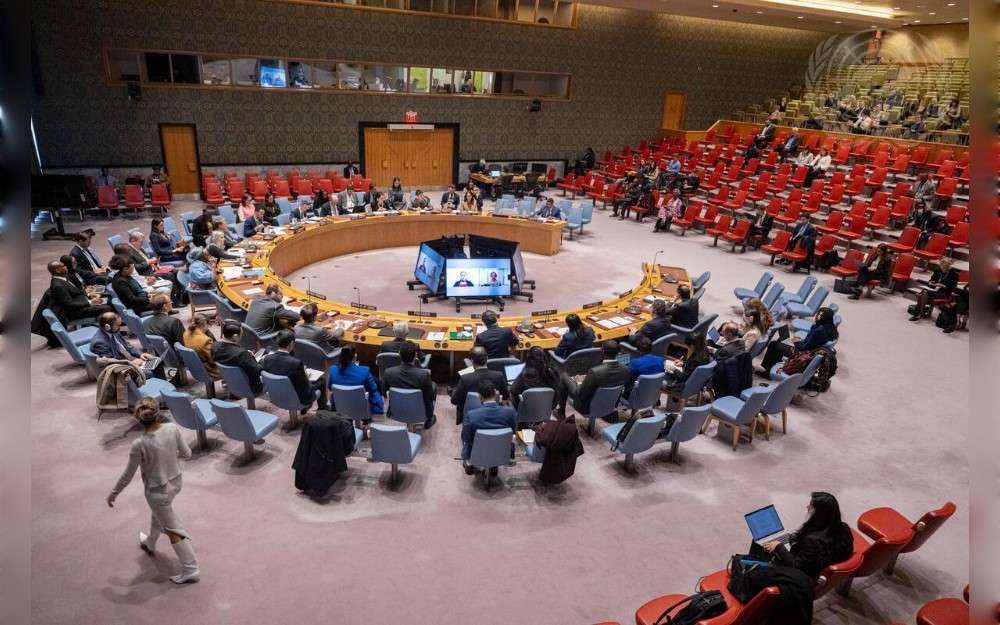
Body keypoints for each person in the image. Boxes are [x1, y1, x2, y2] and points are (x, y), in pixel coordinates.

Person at [106, 398, 199, 585]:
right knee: (159, 515)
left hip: (157, 493)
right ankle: (150, 542)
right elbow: (188, 454)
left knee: (174, 530)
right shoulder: (172, 428)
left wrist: (114, 493)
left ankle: (191, 569)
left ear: (138, 418)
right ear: (158, 412)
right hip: (176, 484)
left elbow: (128, 475)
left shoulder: (139, 444)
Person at [761, 492, 853, 581]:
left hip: (803, 577)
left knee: (765, 551)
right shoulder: (844, 527)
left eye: (811, 505)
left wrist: (779, 546)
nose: (807, 507)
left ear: (819, 513)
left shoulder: (812, 540)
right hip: (821, 564)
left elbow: (796, 566)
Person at [262, 330, 328, 414]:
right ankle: (323, 410)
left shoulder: (267, 358)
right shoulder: (295, 363)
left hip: (276, 395)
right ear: (292, 343)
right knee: (321, 380)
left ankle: (306, 408)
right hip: (297, 397)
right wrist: (307, 377)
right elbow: (305, 387)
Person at [460, 379, 517, 474]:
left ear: (480, 396)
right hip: (503, 452)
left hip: (477, 453)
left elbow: (466, 438)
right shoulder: (510, 412)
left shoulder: (471, 415)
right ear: (495, 394)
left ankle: (471, 463)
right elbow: (513, 433)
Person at [759, 307, 838, 375]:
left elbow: (805, 347)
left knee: (774, 344)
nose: (816, 316)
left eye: (818, 315)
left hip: (802, 353)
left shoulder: (818, 330)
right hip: (809, 350)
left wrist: (794, 342)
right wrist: (797, 340)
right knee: (782, 337)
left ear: (822, 317)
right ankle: (773, 365)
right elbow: (811, 342)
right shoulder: (830, 328)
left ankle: (766, 372)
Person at [567, 341, 631, 416]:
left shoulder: (595, 372)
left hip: (587, 408)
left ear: (602, 351)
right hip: (611, 404)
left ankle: (561, 412)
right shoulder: (626, 369)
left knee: (564, 376)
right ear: (618, 352)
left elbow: (581, 394)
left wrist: (578, 382)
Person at [381, 342, 436, 428]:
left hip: (396, 410)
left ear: (399, 354)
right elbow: (429, 397)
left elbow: (384, 393)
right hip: (420, 412)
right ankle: (429, 418)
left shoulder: (388, 372)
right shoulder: (424, 375)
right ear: (415, 356)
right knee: (433, 386)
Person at [451, 346, 509, 423]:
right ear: (487, 358)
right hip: (494, 413)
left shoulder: (465, 378)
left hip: (470, 415)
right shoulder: (499, 376)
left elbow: (454, 401)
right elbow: (506, 396)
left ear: (472, 361)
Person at [46, 259, 113, 322]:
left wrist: (89, 295)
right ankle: (110, 329)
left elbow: (75, 292)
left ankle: (117, 322)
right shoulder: (58, 286)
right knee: (107, 307)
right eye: (63, 266)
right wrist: (90, 302)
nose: (66, 267)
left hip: (82, 301)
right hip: (77, 311)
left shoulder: (63, 278)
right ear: (57, 270)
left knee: (110, 298)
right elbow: (69, 305)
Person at [510, 346, 568, 416]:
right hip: (548, 407)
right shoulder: (552, 372)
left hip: (526, 409)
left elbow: (513, 390)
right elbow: (557, 389)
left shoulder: (524, 374)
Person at [328, 345, 383, 416]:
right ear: (355, 357)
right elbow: (373, 389)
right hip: (360, 405)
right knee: (376, 383)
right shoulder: (364, 371)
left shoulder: (332, 369)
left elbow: (330, 387)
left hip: (339, 403)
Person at [89, 311, 155, 369]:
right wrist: (131, 363)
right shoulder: (100, 343)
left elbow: (127, 346)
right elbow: (111, 363)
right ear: (107, 327)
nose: (120, 328)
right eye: (118, 325)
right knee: (149, 371)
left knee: (154, 362)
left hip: (130, 360)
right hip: (123, 368)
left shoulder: (113, 331)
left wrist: (140, 354)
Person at [212, 321, 263, 394]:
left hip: (229, 381)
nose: (242, 336)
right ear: (235, 336)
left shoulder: (214, 346)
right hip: (250, 386)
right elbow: (258, 371)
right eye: (241, 334)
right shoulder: (241, 354)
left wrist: (247, 356)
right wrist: (257, 359)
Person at [909, 258, 959, 322]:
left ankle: (918, 314)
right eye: (942, 266)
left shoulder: (954, 275)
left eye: (945, 267)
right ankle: (920, 313)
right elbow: (931, 280)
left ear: (949, 266)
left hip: (943, 292)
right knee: (924, 293)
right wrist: (931, 282)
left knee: (923, 295)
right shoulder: (937, 271)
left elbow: (953, 287)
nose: (943, 268)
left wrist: (943, 286)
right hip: (933, 289)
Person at [182, 313, 218, 378]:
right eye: (208, 325)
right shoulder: (205, 340)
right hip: (208, 370)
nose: (208, 328)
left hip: (194, 367)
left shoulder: (185, 333)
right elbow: (213, 360)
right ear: (204, 324)